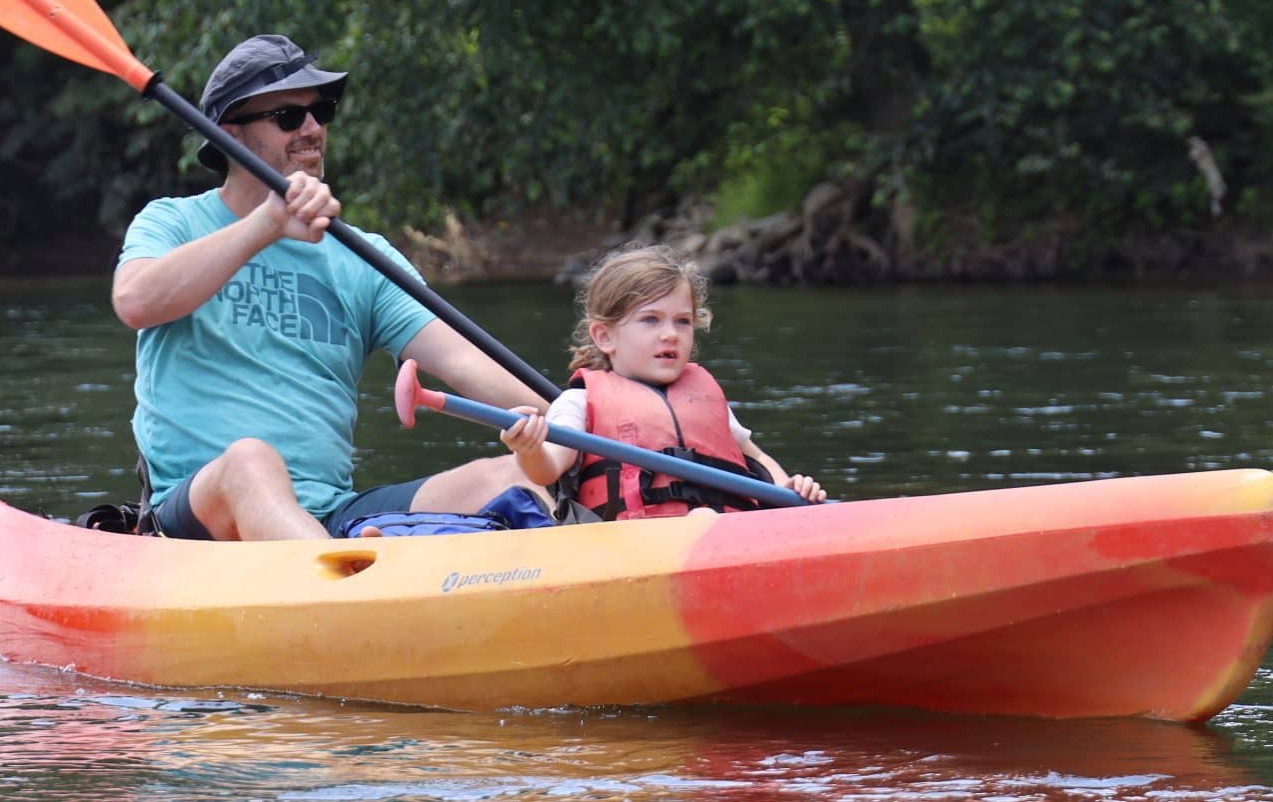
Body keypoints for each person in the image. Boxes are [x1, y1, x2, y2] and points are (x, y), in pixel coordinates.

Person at [111, 34, 542, 540]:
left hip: (330, 514)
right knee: (250, 460)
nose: (313, 128)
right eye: (288, 117)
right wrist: (267, 225)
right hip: (200, 514)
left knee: (513, 478)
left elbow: (466, 360)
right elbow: (135, 301)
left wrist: (574, 415)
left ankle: (346, 562)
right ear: (230, 136)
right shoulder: (173, 222)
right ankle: (345, 573)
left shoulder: (363, 256)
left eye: (321, 111)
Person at [500, 245, 828, 518]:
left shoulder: (703, 397)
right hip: (632, 547)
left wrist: (788, 488)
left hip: (723, 536)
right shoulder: (579, 403)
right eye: (650, 320)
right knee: (702, 519)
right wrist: (528, 449)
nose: (670, 334)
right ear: (604, 336)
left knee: (705, 519)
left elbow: (757, 459)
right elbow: (547, 469)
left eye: (682, 321)